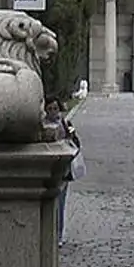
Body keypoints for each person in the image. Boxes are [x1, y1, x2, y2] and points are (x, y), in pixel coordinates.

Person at [46, 98, 79, 245]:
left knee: (60, 204)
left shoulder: (66, 124)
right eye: (50, 109)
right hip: (47, 169)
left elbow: (76, 142)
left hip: (63, 170)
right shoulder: (42, 125)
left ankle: (58, 235)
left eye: (55, 109)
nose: (53, 112)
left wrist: (70, 139)